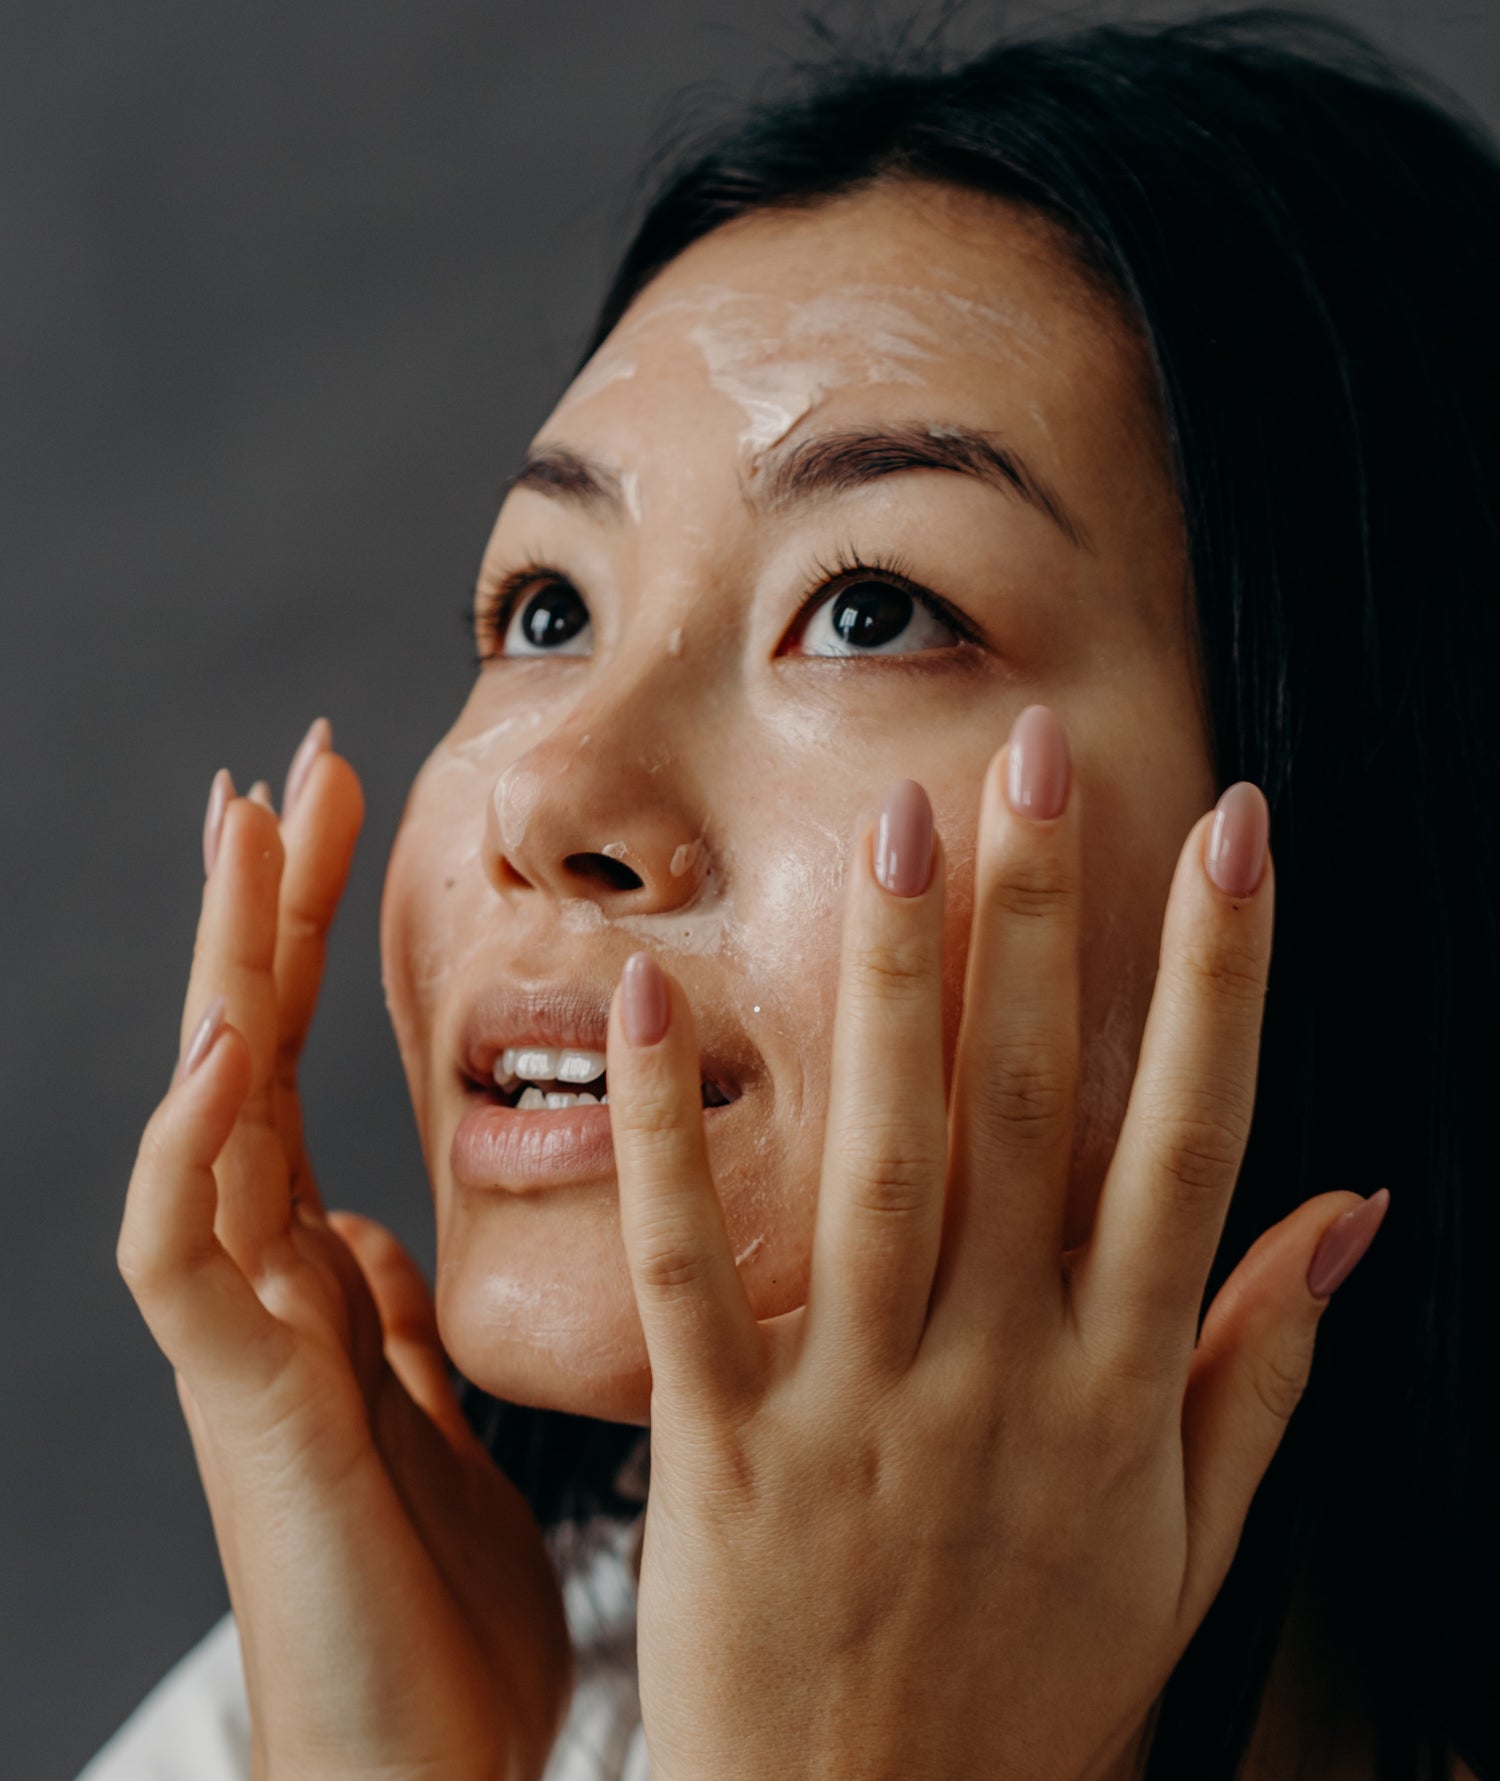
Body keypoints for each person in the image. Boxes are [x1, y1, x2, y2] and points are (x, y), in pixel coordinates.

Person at [85, 6, 1497, 1778]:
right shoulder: (331, 1712)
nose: (548, 798)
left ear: (1369, 804)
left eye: (872, 608)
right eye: (545, 610)